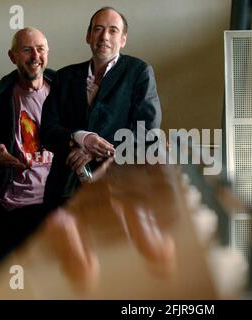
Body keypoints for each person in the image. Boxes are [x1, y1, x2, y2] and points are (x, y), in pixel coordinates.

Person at [40, 6, 162, 209]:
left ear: (123, 39)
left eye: (113, 30)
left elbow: (148, 133)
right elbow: (47, 130)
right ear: (88, 36)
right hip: (64, 193)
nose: (104, 36)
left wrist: (99, 150)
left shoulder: (139, 72)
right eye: (98, 28)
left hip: (119, 191)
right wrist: (81, 138)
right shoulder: (64, 77)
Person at [0, 27, 55, 268]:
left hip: (56, 204)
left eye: (40, 49)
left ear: (47, 53)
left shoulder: (65, 91)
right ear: (12, 56)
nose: (35, 56)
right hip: (12, 209)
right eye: (26, 50)